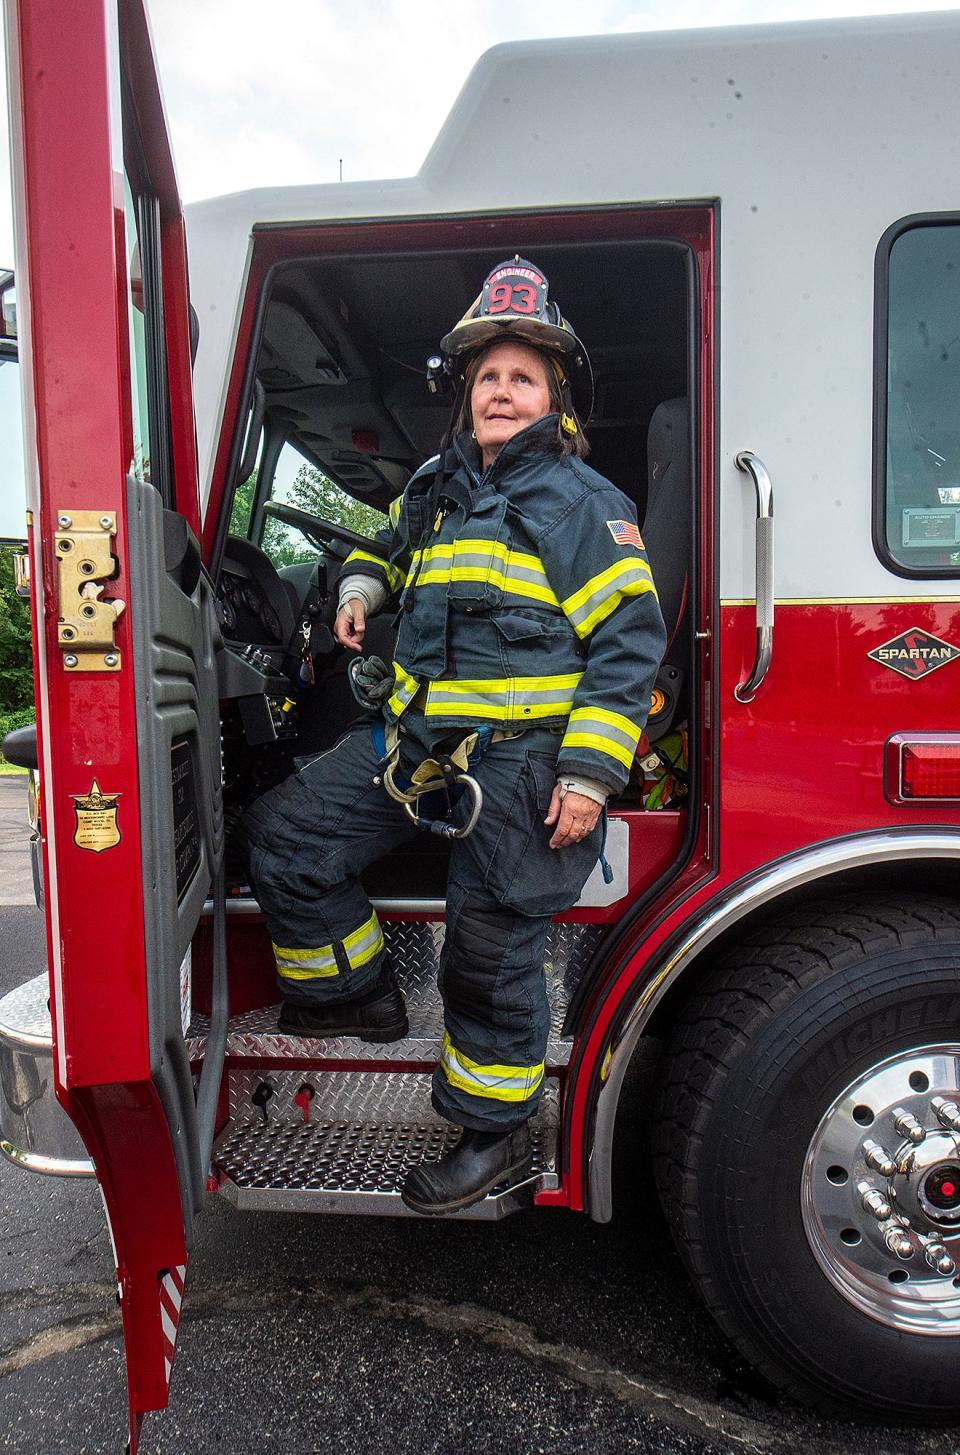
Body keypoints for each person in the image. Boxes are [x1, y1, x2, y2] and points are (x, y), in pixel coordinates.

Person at [243, 257, 666, 1215]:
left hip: (525, 768)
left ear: (553, 396)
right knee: (286, 835)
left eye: (522, 376)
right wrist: (358, 587)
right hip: (417, 745)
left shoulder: (585, 505)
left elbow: (629, 646)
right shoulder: (435, 485)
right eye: (488, 377)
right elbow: (378, 547)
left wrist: (591, 775)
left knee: (484, 947)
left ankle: (490, 1127)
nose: (503, 391)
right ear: (467, 394)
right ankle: (358, 993)